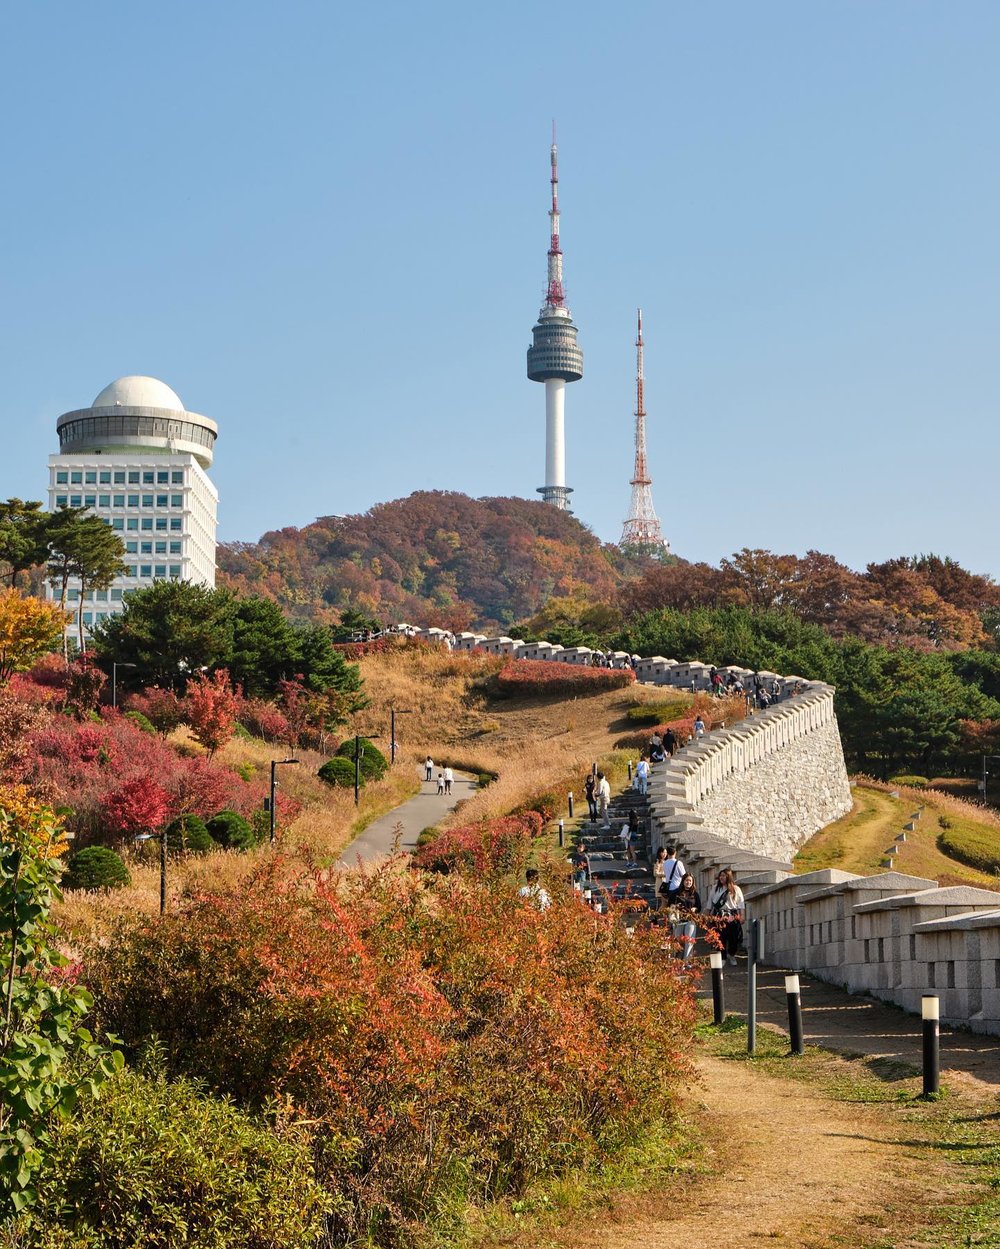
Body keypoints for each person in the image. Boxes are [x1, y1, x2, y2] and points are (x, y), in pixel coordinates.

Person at [707, 868, 745, 965]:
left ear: (728, 876)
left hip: (733, 915)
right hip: (719, 915)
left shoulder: (736, 889)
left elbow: (741, 904)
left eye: (723, 875)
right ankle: (723, 957)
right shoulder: (715, 888)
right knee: (721, 937)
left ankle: (731, 954)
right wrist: (708, 916)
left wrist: (742, 916)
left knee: (735, 937)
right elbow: (710, 903)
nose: (721, 877)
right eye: (720, 875)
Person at [672, 873, 702, 961]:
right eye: (686, 880)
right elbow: (670, 905)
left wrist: (694, 909)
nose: (688, 882)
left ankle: (687, 961)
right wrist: (675, 909)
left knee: (689, 941)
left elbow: (699, 907)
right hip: (679, 920)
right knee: (679, 940)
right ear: (683, 881)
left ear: (692, 882)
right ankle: (677, 960)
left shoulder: (695, 894)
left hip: (690, 919)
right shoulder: (676, 893)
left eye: (690, 881)